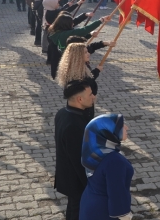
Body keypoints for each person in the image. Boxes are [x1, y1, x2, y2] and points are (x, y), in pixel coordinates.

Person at [54, 79, 96, 220]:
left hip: (66, 176)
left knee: (73, 207)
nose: (94, 97)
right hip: (76, 180)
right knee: (78, 211)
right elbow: (79, 160)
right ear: (79, 99)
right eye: (90, 94)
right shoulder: (74, 125)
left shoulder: (62, 113)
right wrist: (90, 184)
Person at [79, 114, 133, 220]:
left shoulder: (97, 152)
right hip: (104, 212)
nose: (127, 127)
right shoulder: (114, 161)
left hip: (90, 202)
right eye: (121, 126)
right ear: (107, 132)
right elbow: (116, 193)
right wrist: (125, 216)